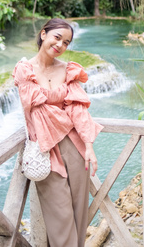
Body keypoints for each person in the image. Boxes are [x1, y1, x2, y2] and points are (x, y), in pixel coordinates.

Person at [12, 18, 103, 247]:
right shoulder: (25, 70)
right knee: (61, 219)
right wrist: (61, 97)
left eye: (66, 42)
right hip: (46, 149)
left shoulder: (68, 69)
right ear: (43, 34)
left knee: (78, 214)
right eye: (57, 37)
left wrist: (89, 146)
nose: (60, 45)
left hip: (75, 145)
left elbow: (78, 109)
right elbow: (36, 104)